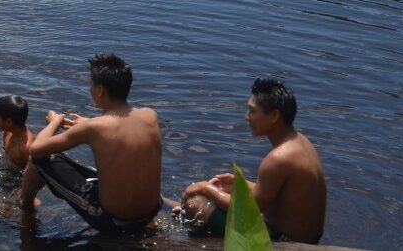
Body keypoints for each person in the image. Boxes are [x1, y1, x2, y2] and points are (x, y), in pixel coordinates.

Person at [21, 53, 162, 234]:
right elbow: (118, 130)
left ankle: (25, 208)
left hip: (113, 220)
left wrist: (55, 121)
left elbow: (35, 149)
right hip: (150, 213)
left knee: (40, 160)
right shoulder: (150, 115)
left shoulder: (95, 127)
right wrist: (89, 122)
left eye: (91, 86)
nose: (90, 90)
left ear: (101, 91)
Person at [177, 78, 326, 244]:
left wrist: (205, 188)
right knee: (226, 193)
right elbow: (280, 197)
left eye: (253, 111)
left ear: (274, 115)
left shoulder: (278, 158)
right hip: (307, 238)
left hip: (284, 242)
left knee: (196, 203)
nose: (247, 117)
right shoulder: (302, 143)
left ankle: (204, 243)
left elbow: (247, 210)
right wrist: (241, 185)